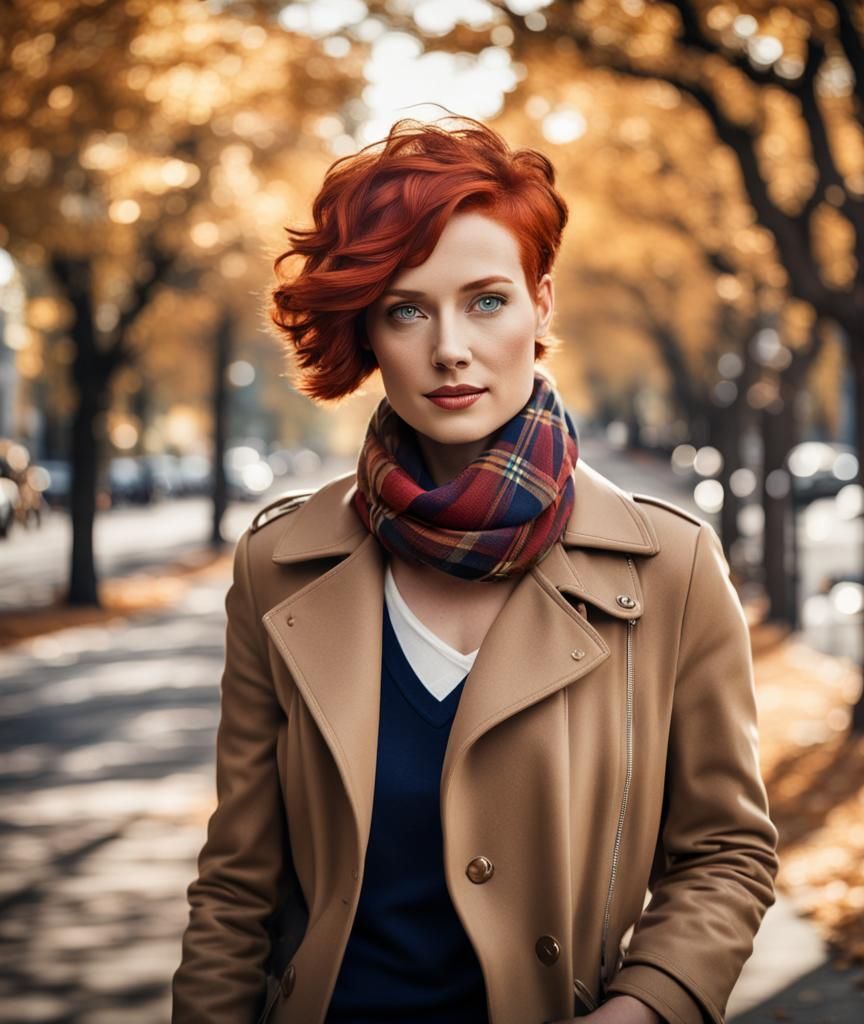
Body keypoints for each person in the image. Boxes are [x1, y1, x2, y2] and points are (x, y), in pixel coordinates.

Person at [171, 114, 778, 1024]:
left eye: (487, 301)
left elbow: (726, 852)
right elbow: (235, 887)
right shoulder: (278, 566)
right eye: (407, 310)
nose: (449, 347)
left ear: (542, 305)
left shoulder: (671, 569)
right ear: (370, 332)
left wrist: (645, 1009)